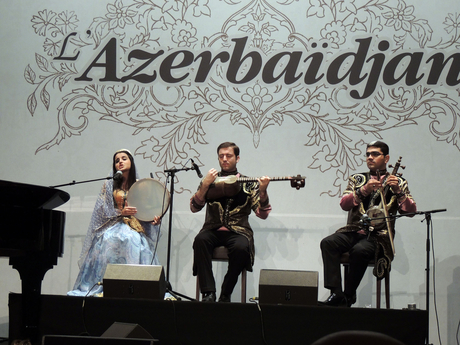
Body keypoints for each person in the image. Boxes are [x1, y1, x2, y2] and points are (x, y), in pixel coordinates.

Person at [319, 140, 416, 307]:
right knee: (328, 242)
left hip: (379, 237)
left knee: (360, 250)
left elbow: (411, 211)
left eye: (375, 154)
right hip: (354, 230)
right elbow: (344, 204)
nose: (370, 157)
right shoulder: (358, 179)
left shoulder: (398, 182)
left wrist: (398, 192)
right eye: (368, 154)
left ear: (386, 158)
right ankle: (337, 293)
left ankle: (348, 295)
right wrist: (364, 190)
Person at [68, 149, 161, 297]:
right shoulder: (109, 184)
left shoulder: (139, 185)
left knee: (133, 240)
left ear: (131, 161)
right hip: (114, 224)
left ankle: (133, 287)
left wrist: (153, 220)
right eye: (117, 160)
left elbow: (146, 210)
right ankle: (106, 286)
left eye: (124, 158)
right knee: (109, 240)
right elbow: (102, 210)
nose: (120, 162)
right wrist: (120, 212)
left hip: (134, 226)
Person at [190, 142, 271, 302]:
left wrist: (262, 191)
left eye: (229, 156)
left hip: (238, 231)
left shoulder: (249, 182)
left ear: (237, 158)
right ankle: (208, 292)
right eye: (221, 156)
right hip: (212, 230)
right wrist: (205, 185)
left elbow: (262, 214)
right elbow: (194, 207)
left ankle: (225, 293)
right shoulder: (210, 181)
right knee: (200, 240)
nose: (225, 159)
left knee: (242, 247)